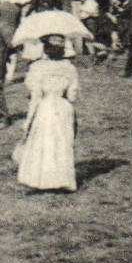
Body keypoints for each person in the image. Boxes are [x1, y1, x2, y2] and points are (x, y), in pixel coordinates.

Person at [13, 35, 79, 191]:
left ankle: (43, 179)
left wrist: (28, 121)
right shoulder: (69, 68)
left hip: (45, 107)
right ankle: (62, 179)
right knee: (62, 142)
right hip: (63, 108)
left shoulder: (37, 68)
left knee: (45, 142)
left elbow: (35, 97)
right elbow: (72, 95)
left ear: (46, 49)